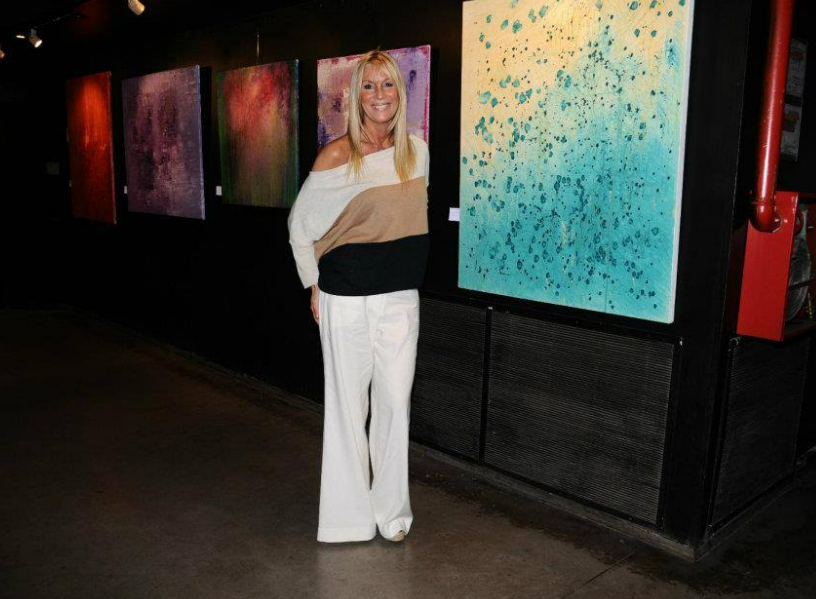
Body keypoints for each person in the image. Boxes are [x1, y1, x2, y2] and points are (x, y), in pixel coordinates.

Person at [287, 50, 430, 543]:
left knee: (395, 403)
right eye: (368, 86)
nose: (379, 95)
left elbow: (407, 220)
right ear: (355, 96)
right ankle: (347, 519)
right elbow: (300, 227)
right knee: (348, 408)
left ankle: (391, 513)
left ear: (400, 93)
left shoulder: (416, 152)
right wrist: (312, 283)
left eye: (387, 84)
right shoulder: (336, 156)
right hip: (345, 298)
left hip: (400, 299)